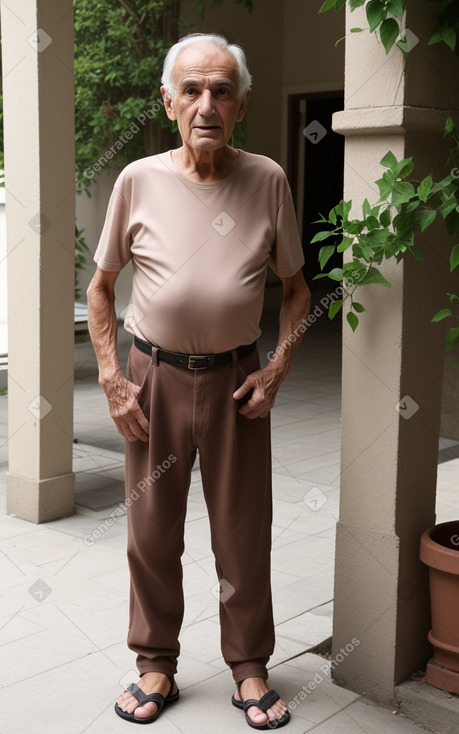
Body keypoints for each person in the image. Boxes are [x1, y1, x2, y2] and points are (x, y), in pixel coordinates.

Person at [87, 32, 310, 730]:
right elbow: (101, 289)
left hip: (236, 383)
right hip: (152, 378)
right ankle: (155, 662)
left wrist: (275, 370)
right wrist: (113, 379)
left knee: (243, 533)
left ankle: (248, 668)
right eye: (191, 89)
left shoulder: (268, 179)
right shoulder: (137, 181)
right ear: (168, 100)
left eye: (220, 91)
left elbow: (298, 290)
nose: (204, 103)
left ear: (241, 103)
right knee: (150, 532)